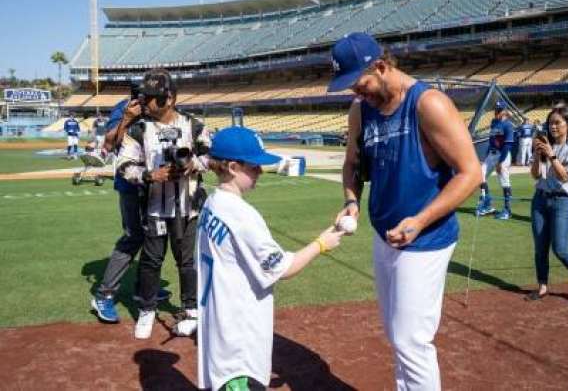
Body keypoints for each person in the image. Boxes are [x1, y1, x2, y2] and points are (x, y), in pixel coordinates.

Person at [331, 33, 481, 390]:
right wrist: (351, 200)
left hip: (425, 239)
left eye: (360, 84)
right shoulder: (360, 111)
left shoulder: (428, 104)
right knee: (397, 336)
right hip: (385, 236)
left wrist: (419, 221)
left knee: (412, 341)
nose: (357, 93)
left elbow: (470, 173)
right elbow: (352, 163)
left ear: (381, 67)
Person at [197, 126, 345, 390]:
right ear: (232, 167)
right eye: (254, 167)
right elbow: (283, 268)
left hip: (220, 330)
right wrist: (322, 243)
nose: (260, 172)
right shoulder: (242, 215)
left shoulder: (212, 203)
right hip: (238, 342)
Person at [117, 69, 210, 339]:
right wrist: (149, 175)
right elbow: (123, 164)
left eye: (152, 99)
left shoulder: (194, 125)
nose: (145, 103)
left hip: (188, 206)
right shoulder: (138, 129)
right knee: (151, 260)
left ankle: (190, 309)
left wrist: (192, 164)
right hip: (154, 207)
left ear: (169, 98)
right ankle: (147, 310)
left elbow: (211, 158)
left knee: (187, 261)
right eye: (144, 97)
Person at [90, 99, 171, 324]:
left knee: (153, 236)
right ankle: (104, 294)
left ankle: (142, 289)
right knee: (133, 237)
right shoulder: (125, 106)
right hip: (131, 183)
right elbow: (111, 142)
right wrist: (127, 117)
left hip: (158, 183)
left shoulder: (163, 105)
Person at [527, 106, 568, 304]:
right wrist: (537, 154)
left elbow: (565, 176)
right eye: (550, 122)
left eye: (557, 122)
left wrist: (551, 155)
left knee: (561, 248)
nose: (552, 126)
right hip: (540, 199)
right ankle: (542, 286)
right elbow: (536, 175)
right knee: (540, 248)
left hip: (563, 201)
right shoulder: (545, 145)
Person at [476, 101, 515, 219]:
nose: (497, 112)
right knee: (479, 176)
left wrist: (500, 162)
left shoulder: (508, 125)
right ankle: (487, 205)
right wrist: (486, 157)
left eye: (499, 110)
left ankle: (507, 210)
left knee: (504, 181)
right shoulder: (494, 122)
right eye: (496, 109)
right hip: (491, 154)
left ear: (504, 111)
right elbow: (492, 140)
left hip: (502, 155)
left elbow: (507, 145)